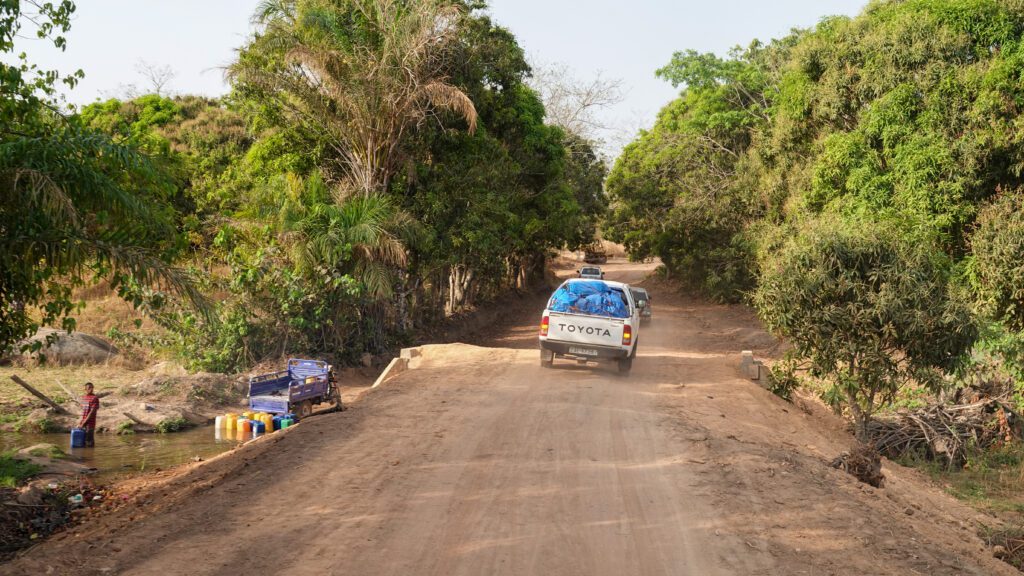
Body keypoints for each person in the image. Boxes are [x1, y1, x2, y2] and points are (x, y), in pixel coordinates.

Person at [78, 382, 100, 447]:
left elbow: (91, 412)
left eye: (92, 388)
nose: (91, 389)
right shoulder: (84, 398)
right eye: (89, 388)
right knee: (84, 442)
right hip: (84, 423)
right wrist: (81, 422)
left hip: (90, 424)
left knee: (89, 442)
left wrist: (83, 423)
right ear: (85, 389)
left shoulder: (95, 398)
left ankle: (91, 456)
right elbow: (84, 411)